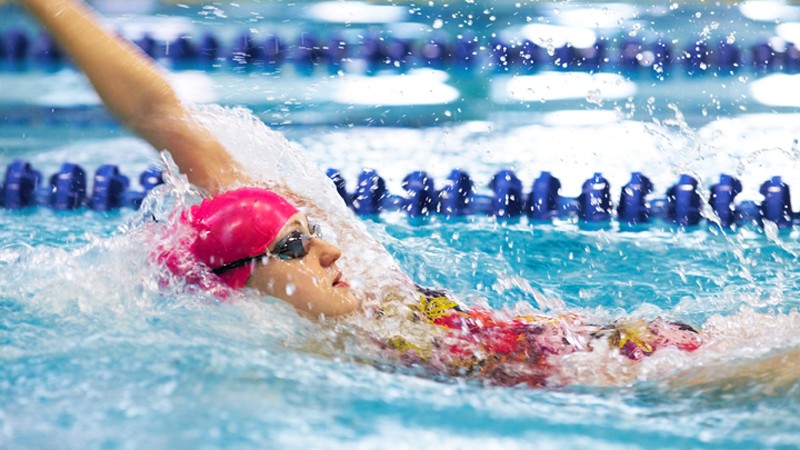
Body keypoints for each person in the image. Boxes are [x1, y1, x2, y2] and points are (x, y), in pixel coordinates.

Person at [16, 0, 762, 388]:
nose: (331, 243)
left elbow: (160, 116)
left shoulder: (360, 296)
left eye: (309, 228)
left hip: (625, 350)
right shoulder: (297, 342)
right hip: (606, 377)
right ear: (241, 284)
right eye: (298, 245)